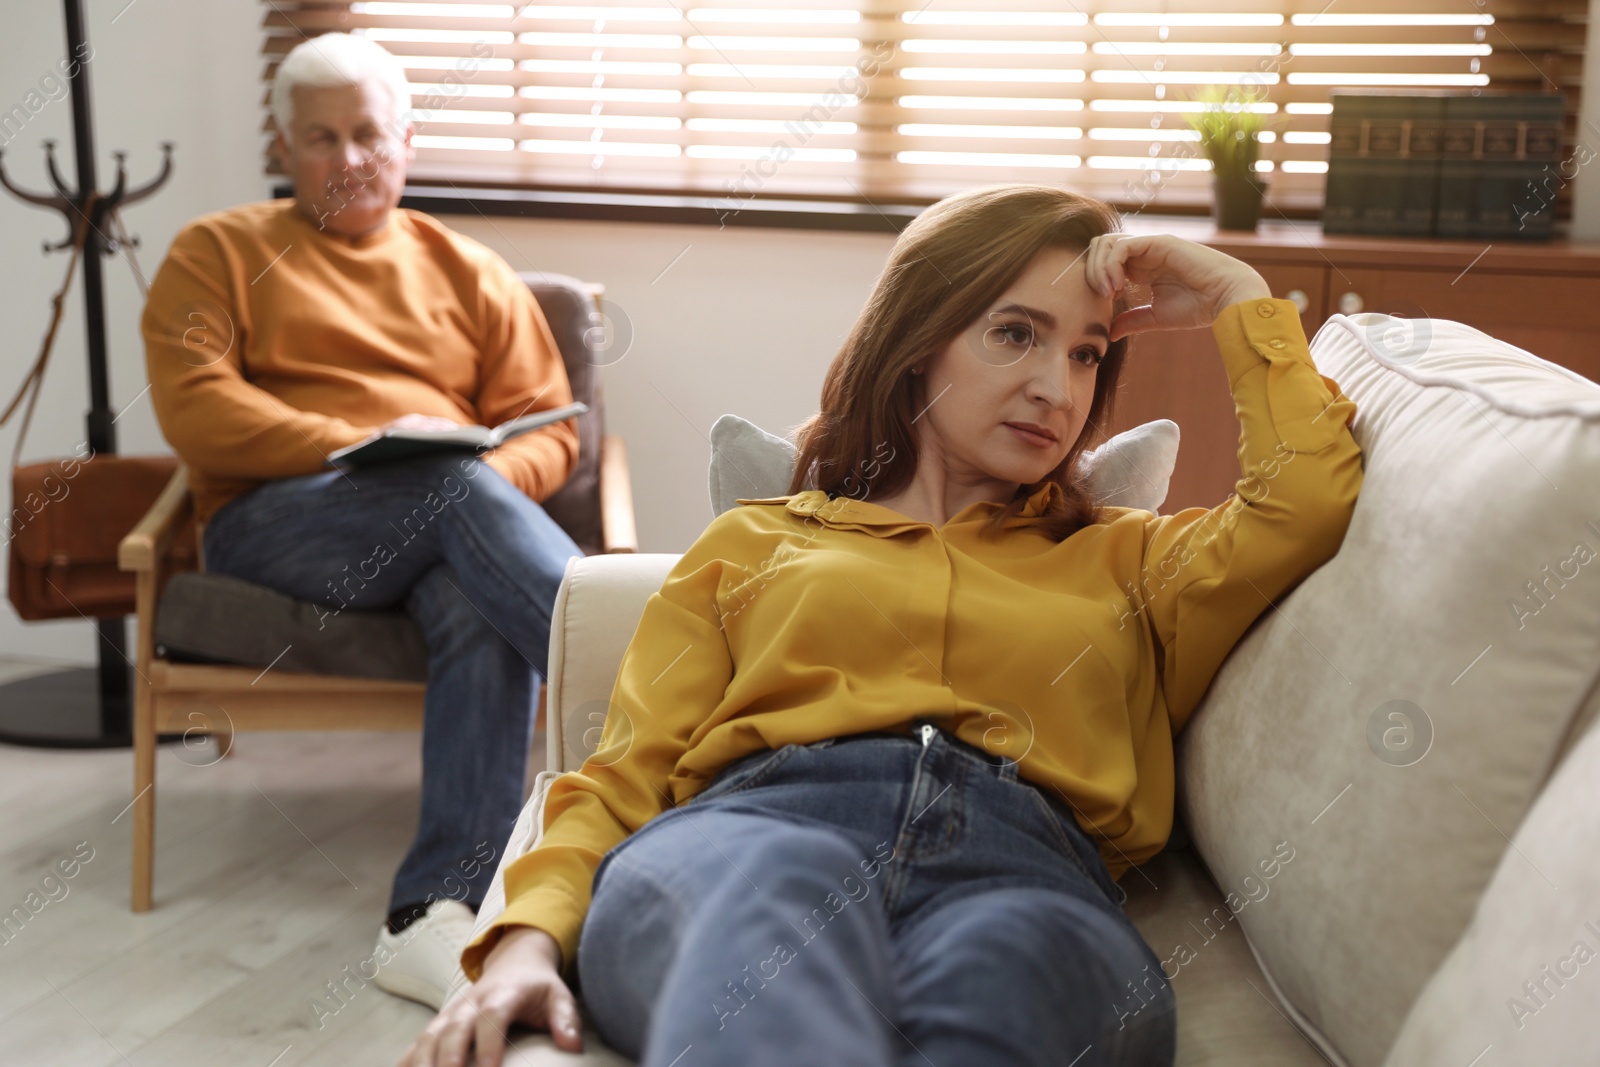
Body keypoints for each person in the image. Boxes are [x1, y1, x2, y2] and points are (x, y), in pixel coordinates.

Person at [401, 184, 1365, 1067]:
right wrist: (521, 945)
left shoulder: (1133, 558)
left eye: (1086, 352)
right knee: (773, 890)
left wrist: (1238, 296)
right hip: (753, 826)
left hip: (1023, 866)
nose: (1057, 389)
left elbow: (1306, 500)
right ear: (918, 340)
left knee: (1018, 964)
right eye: (1015, 334)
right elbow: (624, 773)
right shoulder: (754, 542)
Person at [140, 32, 584, 1009]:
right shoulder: (217, 251)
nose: (348, 159)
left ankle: (433, 915)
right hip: (275, 524)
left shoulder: (467, 268)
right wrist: (370, 442)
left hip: (442, 519)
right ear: (284, 146)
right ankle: (651, 686)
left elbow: (549, 432)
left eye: (367, 134)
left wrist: (470, 472)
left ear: (407, 139)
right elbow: (196, 408)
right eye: (321, 138)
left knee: (466, 576)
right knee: (448, 489)